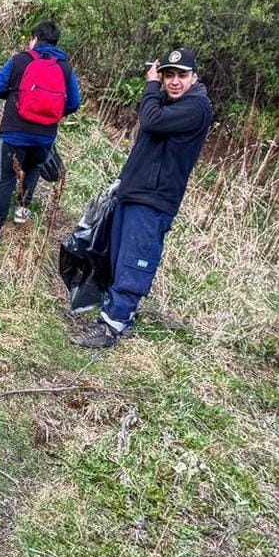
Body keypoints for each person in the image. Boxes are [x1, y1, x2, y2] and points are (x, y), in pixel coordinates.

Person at [74, 48, 213, 349]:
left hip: (154, 199)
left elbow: (150, 121)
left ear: (194, 77)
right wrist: (122, 183)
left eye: (181, 75)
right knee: (117, 257)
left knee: (135, 261)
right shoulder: (170, 104)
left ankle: (112, 327)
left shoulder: (196, 107)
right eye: (168, 75)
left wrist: (151, 85)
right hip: (134, 192)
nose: (174, 81)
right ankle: (114, 312)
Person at [0, 21, 80, 242]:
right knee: (33, 169)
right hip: (44, 136)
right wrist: (51, 113)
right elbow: (74, 103)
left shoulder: (20, 60)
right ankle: (21, 212)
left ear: (35, 38)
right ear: (56, 42)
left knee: (5, 178)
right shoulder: (65, 68)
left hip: (14, 132)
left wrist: (15, 97)